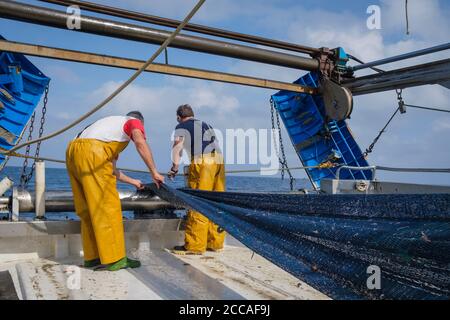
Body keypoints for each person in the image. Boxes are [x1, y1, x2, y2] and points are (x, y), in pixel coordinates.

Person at [65, 111, 164, 271]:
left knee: (88, 209)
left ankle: (92, 257)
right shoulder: (133, 121)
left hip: (72, 151)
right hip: (93, 152)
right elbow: (140, 143)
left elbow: (110, 170)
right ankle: (115, 259)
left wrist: (133, 182)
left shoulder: (106, 130)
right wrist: (154, 172)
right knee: (108, 207)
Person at [168, 104, 226, 255]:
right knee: (216, 201)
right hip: (219, 161)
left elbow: (177, 147)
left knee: (197, 202)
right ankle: (215, 242)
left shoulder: (181, 126)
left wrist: (174, 167)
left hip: (202, 162)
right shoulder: (207, 124)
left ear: (179, 117)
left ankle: (194, 246)